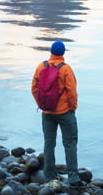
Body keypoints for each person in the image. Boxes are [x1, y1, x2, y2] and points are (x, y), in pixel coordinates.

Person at [31, 40, 80, 186]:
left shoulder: (41, 66)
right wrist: (73, 107)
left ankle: (49, 176)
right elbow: (71, 92)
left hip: (47, 111)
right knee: (70, 143)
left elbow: (34, 88)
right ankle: (73, 178)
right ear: (63, 53)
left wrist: (41, 104)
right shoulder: (66, 69)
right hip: (65, 112)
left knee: (49, 143)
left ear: (51, 52)